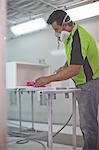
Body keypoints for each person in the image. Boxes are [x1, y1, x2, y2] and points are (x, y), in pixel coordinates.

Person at [35, 10, 99, 150]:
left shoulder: (79, 37)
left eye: (57, 30)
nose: (56, 34)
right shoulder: (71, 36)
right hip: (85, 84)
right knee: (88, 123)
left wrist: (48, 79)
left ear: (66, 24)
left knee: (88, 125)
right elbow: (74, 58)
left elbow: (74, 69)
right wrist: (64, 66)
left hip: (90, 84)